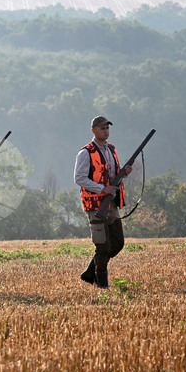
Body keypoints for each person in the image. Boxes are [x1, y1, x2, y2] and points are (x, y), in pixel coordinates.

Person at [74, 116, 132, 289]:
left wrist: (125, 172)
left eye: (107, 128)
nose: (105, 131)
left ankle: (89, 273)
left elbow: (112, 174)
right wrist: (102, 189)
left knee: (118, 244)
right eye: (102, 128)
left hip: (112, 203)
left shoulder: (111, 149)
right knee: (103, 246)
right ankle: (102, 286)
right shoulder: (85, 152)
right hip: (95, 206)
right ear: (93, 131)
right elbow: (79, 178)